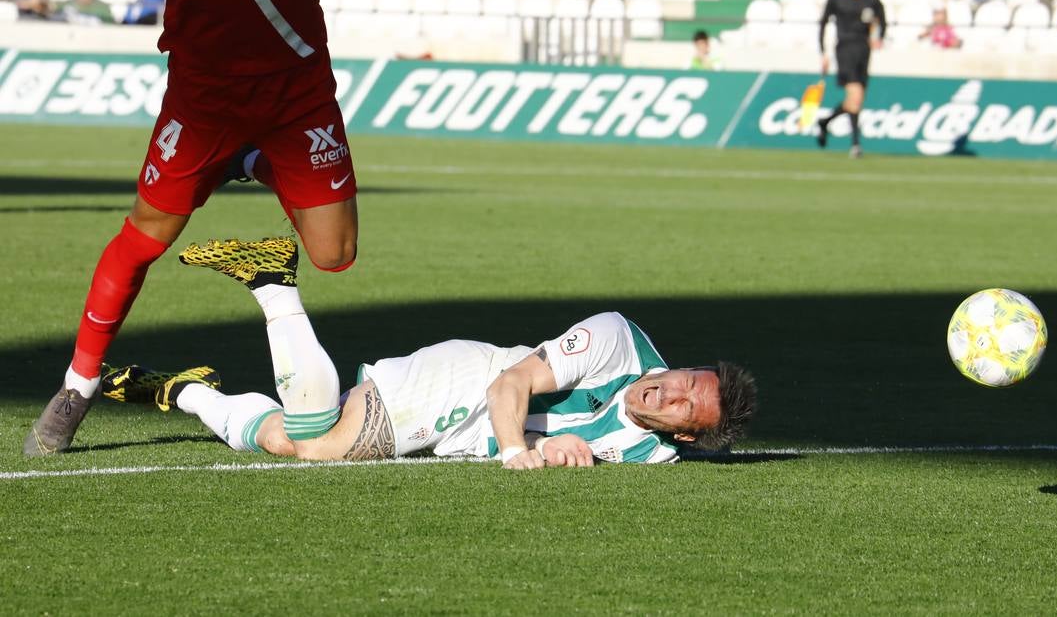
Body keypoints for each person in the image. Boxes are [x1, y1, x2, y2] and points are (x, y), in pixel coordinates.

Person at [5, 0, 552, 457]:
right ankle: (76, 388)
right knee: (143, 238)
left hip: (296, 98)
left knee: (335, 256)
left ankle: (255, 161)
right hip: (202, 102)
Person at [105, 237, 757, 467]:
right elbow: (510, 385)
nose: (666, 392)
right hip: (467, 384)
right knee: (314, 447)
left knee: (283, 437)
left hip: (460, 429)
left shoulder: (656, 456)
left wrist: (565, 453)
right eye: (683, 379)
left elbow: (589, 446)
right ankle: (274, 286)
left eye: (681, 408)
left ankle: (182, 390)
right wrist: (518, 453)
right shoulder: (616, 340)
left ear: (686, 439)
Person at [816, 0, 885, 159]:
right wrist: (824, 53)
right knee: (855, 97)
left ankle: (826, 122)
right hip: (844, 49)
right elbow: (823, 24)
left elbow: (883, 18)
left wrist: (878, 37)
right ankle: (855, 144)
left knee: (856, 99)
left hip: (863, 50)